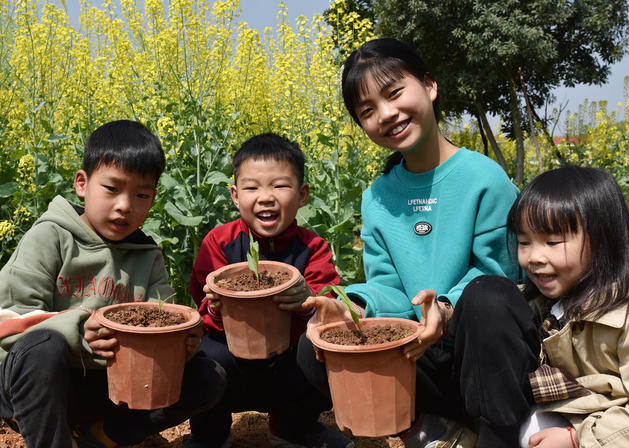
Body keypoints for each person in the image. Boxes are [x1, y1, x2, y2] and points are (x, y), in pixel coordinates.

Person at [297, 38, 537, 448]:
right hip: (418, 356)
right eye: (367, 111)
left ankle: (499, 437)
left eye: (394, 93)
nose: (386, 114)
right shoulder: (378, 196)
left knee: (486, 298)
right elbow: (387, 287)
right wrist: (351, 305)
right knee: (313, 346)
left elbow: (503, 276)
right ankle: (426, 430)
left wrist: (443, 309)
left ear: (429, 86)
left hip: (485, 358)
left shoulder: (484, 178)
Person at [0, 120, 226, 448]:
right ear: (82, 183)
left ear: (153, 199)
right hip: (38, 388)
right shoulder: (50, 236)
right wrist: (77, 329)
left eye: (141, 194)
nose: (124, 205)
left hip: (109, 386)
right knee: (42, 349)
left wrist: (182, 344)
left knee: (208, 377)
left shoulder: (147, 255)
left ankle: (102, 437)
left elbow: (163, 318)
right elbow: (7, 318)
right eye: (112, 188)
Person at [187, 133, 353, 448]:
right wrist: (214, 309)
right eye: (252, 188)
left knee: (320, 354)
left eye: (280, 186)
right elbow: (202, 311)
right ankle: (211, 433)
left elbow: (329, 310)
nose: (266, 197)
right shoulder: (218, 243)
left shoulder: (313, 247)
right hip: (232, 360)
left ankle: (292, 427)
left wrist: (308, 299)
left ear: (302, 194)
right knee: (203, 357)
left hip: (287, 364)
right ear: (235, 196)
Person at [509, 166, 629, 448]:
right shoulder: (539, 303)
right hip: (565, 414)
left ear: (603, 240)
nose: (534, 257)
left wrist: (576, 439)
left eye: (552, 242)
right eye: (523, 242)